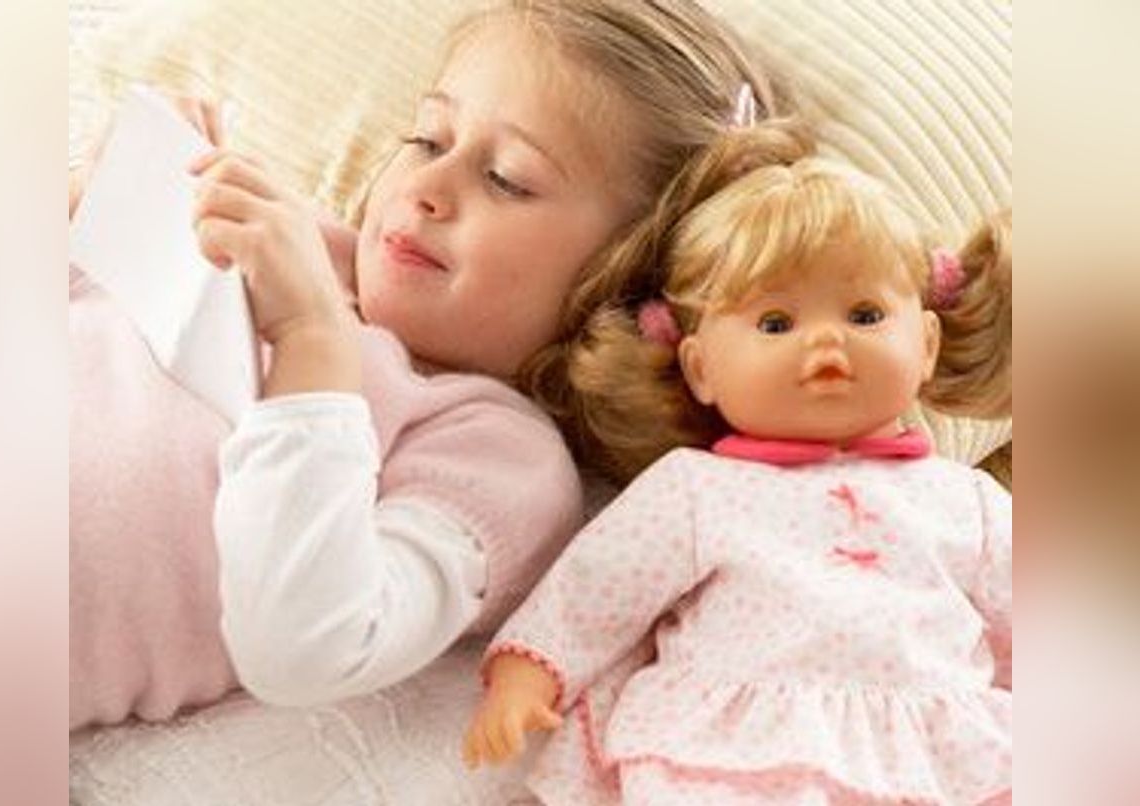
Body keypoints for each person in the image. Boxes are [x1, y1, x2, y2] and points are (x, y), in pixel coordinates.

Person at [69, 0, 803, 729]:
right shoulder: (296, 240)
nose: (426, 188)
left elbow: (306, 649)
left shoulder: (497, 455)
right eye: (427, 139)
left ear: (624, 279)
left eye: (507, 179)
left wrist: (309, 338)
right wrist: (100, 194)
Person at [463, 131, 1012, 805]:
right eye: (776, 324)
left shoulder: (967, 501)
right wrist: (530, 671)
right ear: (701, 369)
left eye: (865, 314)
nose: (827, 339)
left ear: (925, 344)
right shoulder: (698, 489)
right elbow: (600, 585)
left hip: (936, 752)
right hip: (745, 753)